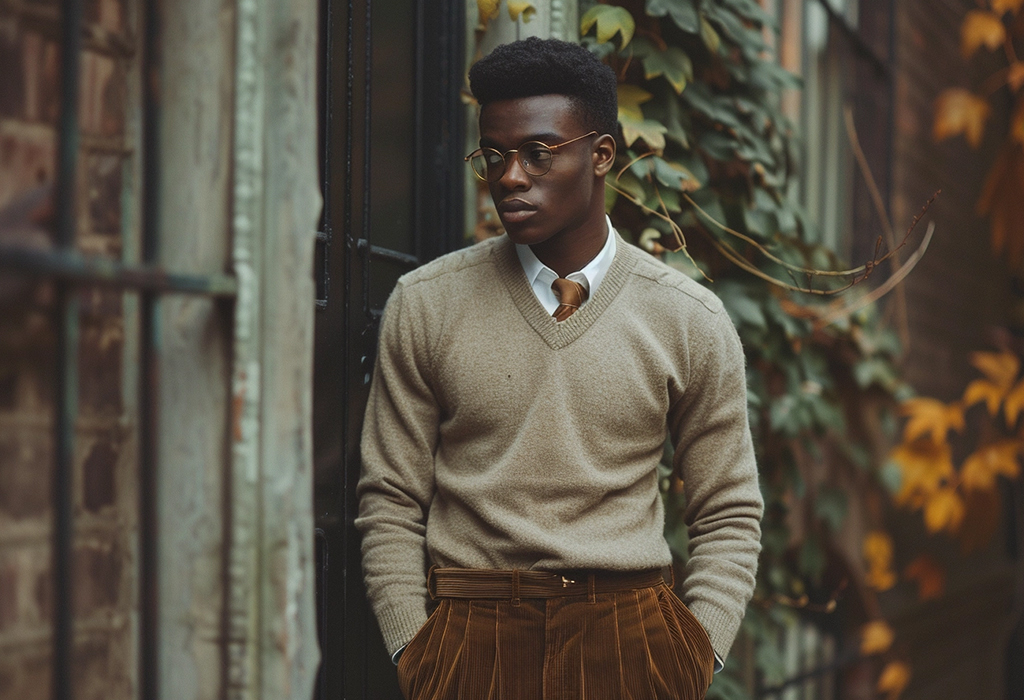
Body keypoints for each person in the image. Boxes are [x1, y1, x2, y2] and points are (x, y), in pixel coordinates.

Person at [355, 36, 763, 700]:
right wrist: (414, 648)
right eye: (493, 155)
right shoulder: (427, 304)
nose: (510, 177)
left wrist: (695, 655)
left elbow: (729, 509)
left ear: (601, 154)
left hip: (632, 640)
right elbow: (391, 497)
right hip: (471, 637)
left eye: (538, 154)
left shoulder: (689, 318)